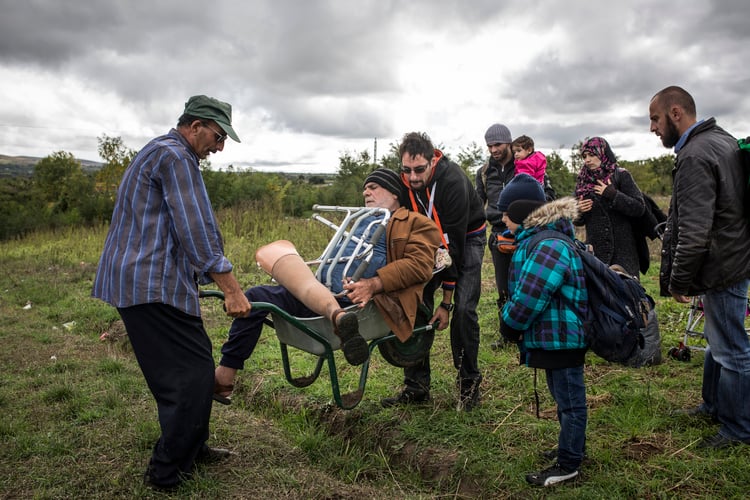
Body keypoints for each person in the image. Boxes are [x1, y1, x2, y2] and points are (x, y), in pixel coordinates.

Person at [92, 95, 251, 491]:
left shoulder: (161, 151)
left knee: (194, 369)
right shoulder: (176, 157)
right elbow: (196, 230)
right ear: (194, 126)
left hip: (148, 282)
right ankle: (166, 473)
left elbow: (188, 227)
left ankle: (191, 449)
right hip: (151, 285)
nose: (220, 146)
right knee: (189, 378)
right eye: (217, 136)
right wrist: (231, 289)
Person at [214, 168, 442, 402]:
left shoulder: (414, 223)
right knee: (256, 297)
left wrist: (374, 284)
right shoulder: (361, 218)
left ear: (394, 194)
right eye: (365, 188)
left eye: (373, 187)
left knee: (271, 298)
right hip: (319, 289)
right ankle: (225, 376)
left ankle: (342, 320)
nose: (366, 191)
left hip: (354, 300)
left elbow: (419, 265)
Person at [649, 85, 750, 448]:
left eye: (655, 119)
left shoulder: (695, 154)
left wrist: (679, 281)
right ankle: (712, 405)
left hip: (722, 264)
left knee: (732, 349)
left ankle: (739, 429)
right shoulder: (721, 139)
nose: (653, 128)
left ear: (676, 113)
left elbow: (694, 230)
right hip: (734, 256)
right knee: (717, 338)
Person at [383, 131, 487, 411]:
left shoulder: (452, 182)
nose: (413, 177)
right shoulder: (405, 180)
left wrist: (446, 303)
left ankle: (469, 386)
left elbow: (452, 252)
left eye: (419, 170)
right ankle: (416, 387)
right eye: (407, 170)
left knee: (464, 310)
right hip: (428, 242)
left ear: (433, 160)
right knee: (413, 300)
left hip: (466, 238)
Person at [498, 187, 588, 487]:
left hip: (562, 336)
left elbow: (532, 293)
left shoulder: (549, 245)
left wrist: (510, 323)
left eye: (507, 216)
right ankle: (572, 447)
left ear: (524, 219)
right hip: (554, 336)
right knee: (564, 399)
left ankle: (569, 464)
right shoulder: (541, 240)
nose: (502, 220)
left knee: (571, 401)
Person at [476, 124, 555, 350]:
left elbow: (548, 195)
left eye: (498, 144)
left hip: (528, 233)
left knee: (529, 284)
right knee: (503, 287)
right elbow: (476, 204)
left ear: (509, 143)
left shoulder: (528, 165)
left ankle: (532, 331)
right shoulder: (483, 172)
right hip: (499, 234)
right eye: (489, 145)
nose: (493, 149)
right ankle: (507, 333)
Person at [574, 136, 646, 278]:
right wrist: (578, 210)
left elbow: (639, 208)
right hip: (595, 255)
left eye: (592, 155)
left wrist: (612, 194)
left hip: (623, 254)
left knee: (627, 295)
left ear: (603, 153)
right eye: (584, 156)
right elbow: (577, 221)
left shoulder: (621, 176)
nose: (587, 159)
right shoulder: (583, 182)